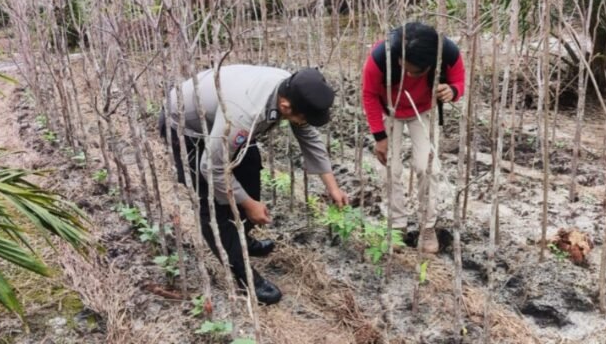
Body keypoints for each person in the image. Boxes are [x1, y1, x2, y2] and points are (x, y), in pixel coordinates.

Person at [160, 65, 348, 305]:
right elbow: (212, 167)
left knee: (249, 167)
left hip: (222, 118)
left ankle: (242, 239)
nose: (304, 123)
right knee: (212, 201)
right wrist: (249, 204)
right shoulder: (245, 113)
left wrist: (332, 186)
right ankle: (244, 276)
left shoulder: (290, 88)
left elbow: (308, 135)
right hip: (188, 128)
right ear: (285, 107)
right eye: (304, 117)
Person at [361, 21, 465, 254]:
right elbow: (368, 95)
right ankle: (396, 226)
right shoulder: (381, 56)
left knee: (427, 166)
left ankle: (427, 227)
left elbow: (459, 81)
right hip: (389, 110)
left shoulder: (448, 53)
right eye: (402, 67)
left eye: (413, 71)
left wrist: (453, 91)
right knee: (390, 168)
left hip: (423, 110)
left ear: (430, 66)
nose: (406, 72)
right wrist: (380, 136)